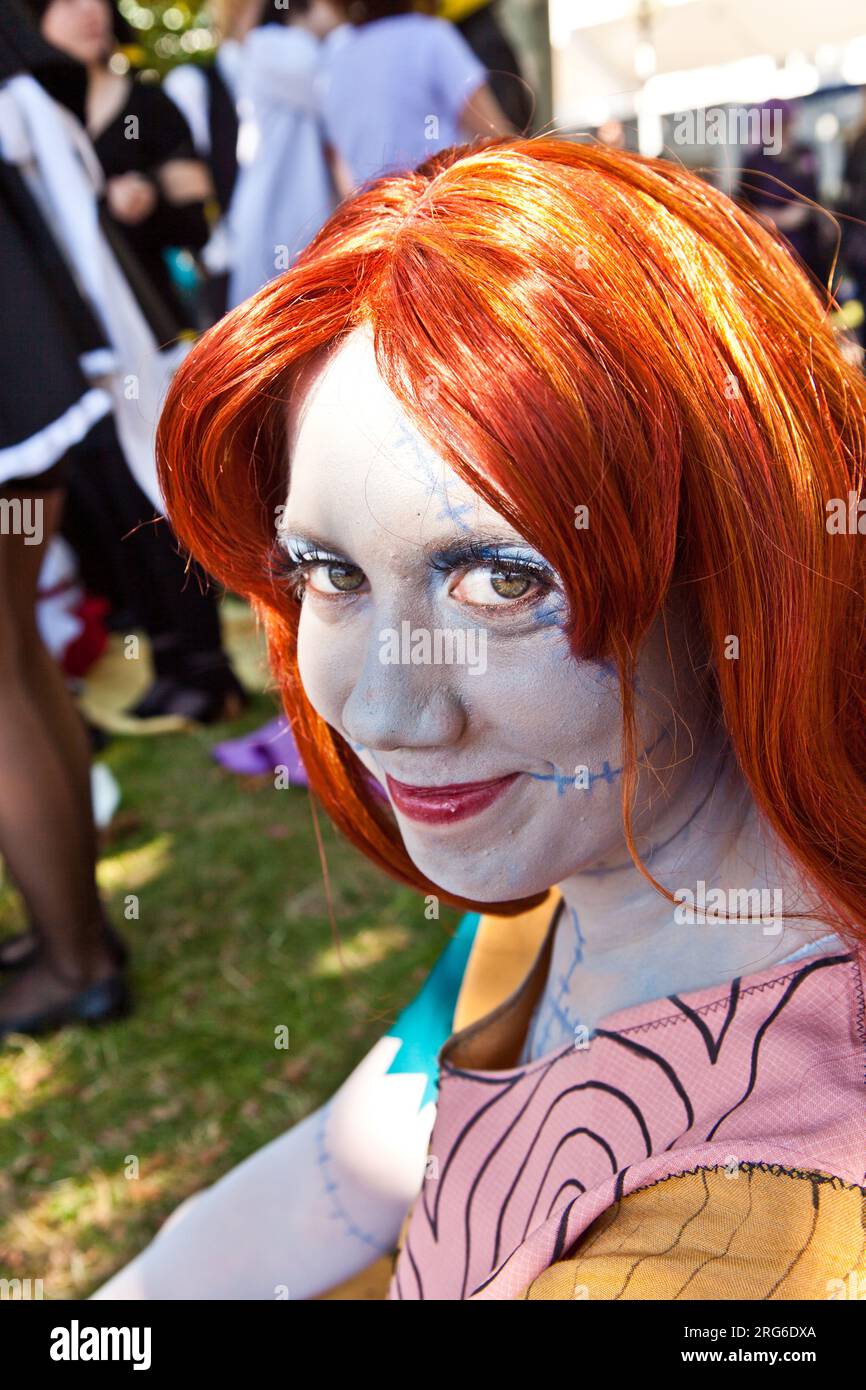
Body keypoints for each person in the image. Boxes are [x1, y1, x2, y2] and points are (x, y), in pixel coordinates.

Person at [96, 138, 866, 1300]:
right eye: (329, 572)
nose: (382, 708)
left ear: (742, 573)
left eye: (502, 581)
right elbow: (351, 1167)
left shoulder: (760, 1247)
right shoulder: (578, 868)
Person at [27, 0, 248, 723]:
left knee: (163, 495)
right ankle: (166, 655)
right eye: (64, 2)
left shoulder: (145, 104)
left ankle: (206, 663)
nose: (86, 13)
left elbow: (197, 204)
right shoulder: (33, 110)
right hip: (72, 358)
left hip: (152, 333)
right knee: (112, 508)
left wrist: (148, 196)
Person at [0, 2, 129, 1033]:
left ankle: (74, 957)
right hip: (24, 351)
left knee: (4, 674)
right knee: (18, 664)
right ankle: (69, 927)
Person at [318, 0, 513, 194]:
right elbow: (492, 132)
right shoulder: (430, 37)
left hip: (374, 212)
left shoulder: (335, 56)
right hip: (436, 203)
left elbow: (340, 163)